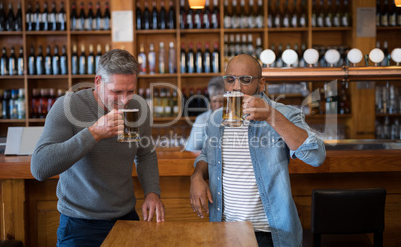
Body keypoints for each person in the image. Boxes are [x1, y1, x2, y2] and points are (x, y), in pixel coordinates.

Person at [31, 49, 165, 247]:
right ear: (97, 82)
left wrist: (152, 192)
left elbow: (145, 154)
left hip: (126, 218)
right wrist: (93, 133)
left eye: (130, 91)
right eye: (116, 92)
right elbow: (40, 168)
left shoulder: (139, 107)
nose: (125, 100)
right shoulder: (68, 106)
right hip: (79, 223)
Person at [189, 54, 326, 247]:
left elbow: (317, 156)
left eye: (245, 80)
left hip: (269, 234)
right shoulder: (216, 119)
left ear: (261, 84)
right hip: (224, 228)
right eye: (230, 80)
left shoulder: (283, 113)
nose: (236, 87)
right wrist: (196, 176)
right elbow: (206, 155)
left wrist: (271, 116)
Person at [185, 76, 225, 151]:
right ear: (210, 99)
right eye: (214, 101)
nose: (218, 105)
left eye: (221, 101)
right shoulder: (202, 119)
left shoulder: (235, 119)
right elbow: (191, 149)